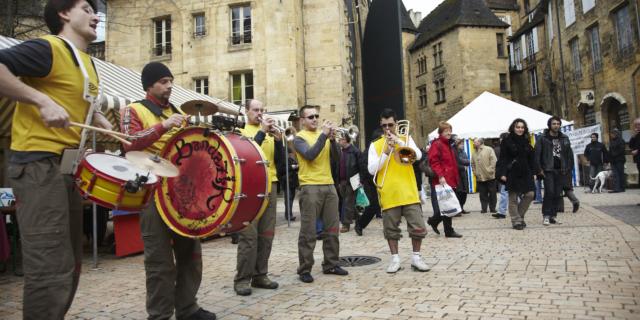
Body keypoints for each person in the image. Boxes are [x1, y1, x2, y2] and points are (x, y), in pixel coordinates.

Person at [0, 1, 113, 318]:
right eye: (86, 8)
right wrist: (39, 100)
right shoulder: (48, 48)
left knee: (69, 265)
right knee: (50, 267)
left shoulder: (88, 64)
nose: (96, 15)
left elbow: (77, 98)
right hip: (38, 165)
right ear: (64, 14)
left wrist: (100, 117)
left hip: (67, 169)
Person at [120, 62, 215, 320]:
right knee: (159, 262)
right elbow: (129, 144)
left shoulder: (177, 113)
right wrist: (163, 126)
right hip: (151, 193)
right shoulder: (133, 109)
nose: (170, 85)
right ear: (149, 85)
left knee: (191, 254)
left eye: (171, 80)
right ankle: (159, 315)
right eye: (163, 81)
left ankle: (187, 307)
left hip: (182, 195)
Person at [367, 109, 430, 273]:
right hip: (389, 192)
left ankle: (416, 257)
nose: (388, 129)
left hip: (408, 191)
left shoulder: (406, 138)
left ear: (396, 124)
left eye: (391, 125)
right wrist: (386, 152)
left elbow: (417, 156)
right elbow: (372, 170)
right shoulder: (375, 145)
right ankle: (395, 259)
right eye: (384, 126)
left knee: (417, 227)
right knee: (391, 230)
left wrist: (400, 143)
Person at [233, 99, 284, 296]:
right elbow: (249, 152)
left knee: (267, 234)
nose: (260, 113)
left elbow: (279, 162)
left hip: (270, 183)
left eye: (262, 109)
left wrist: (279, 141)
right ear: (246, 112)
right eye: (255, 110)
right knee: (249, 235)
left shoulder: (269, 134)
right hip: (250, 186)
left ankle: (260, 274)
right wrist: (262, 131)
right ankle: (242, 279)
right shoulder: (241, 133)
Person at [293, 105, 348, 283]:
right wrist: (324, 135)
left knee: (332, 228)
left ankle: (331, 263)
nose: (315, 119)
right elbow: (310, 155)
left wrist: (332, 141)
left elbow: (337, 159)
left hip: (329, 185)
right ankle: (304, 269)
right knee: (308, 231)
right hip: (310, 186)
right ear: (302, 120)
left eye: (316, 116)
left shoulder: (323, 136)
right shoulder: (299, 138)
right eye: (310, 117)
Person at [496, 119, 537, 230]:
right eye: (518, 127)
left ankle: (519, 216)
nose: (520, 129)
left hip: (526, 171)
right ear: (513, 128)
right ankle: (516, 221)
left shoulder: (526, 140)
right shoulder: (506, 141)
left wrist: (534, 172)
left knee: (530, 194)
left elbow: (531, 158)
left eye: (522, 127)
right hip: (512, 171)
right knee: (513, 198)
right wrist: (503, 173)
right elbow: (503, 158)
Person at [534, 116, 574, 226]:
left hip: (561, 169)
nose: (556, 125)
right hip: (548, 170)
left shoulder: (564, 138)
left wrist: (569, 167)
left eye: (558, 123)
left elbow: (569, 154)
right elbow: (537, 155)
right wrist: (539, 169)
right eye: (554, 124)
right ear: (549, 125)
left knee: (557, 194)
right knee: (549, 192)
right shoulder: (543, 138)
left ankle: (553, 216)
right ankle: (546, 215)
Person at [427, 122, 463, 238]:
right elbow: (434, 162)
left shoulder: (448, 144)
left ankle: (443, 227)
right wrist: (441, 176)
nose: (449, 132)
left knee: (448, 204)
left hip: (450, 179)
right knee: (445, 205)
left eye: (450, 130)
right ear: (441, 132)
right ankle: (439, 224)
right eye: (446, 131)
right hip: (441, 180)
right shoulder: (437, 144)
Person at [354, 129, 383, 236]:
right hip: (372, 183)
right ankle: (360, 224)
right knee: (374, 206)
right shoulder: (369, 150)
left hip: (379, 182)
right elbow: (364, 167)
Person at [337, 133, 361, 233]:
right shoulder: (340, 152)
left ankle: (346, 225)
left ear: (346, 140)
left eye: (341, 139)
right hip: (341, 181)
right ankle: (359, 221)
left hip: (352, 181)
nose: (339, 141)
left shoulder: (355, 151)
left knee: (348, 202)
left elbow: (360, 165)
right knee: (349, 202)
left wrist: (360, 180)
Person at [472, 138, 498, 213]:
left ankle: (492, 208)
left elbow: (494, 160)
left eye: (475, 142)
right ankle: (484, 209)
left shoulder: (489, 149)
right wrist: (475, 172)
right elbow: (472, 163)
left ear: (480, 142)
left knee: (492, 193)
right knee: (482, 194)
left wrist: (490, 170)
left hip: (489, 176)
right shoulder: (474, 152)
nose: (473, 143)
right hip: (479, 177)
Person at [494, 133, 509, 219]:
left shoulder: (506, 149)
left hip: (507, 174)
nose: (500, 140)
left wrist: (504, 173)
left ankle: (502, 212)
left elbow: (505, 163)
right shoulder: (502, 148)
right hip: (505, 174)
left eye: (501, 139)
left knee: (505, 193)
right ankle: (502, 211)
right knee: (510, 193)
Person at [454, 138, 470, 214]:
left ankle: (462, 207)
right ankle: (458, 209)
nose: (462, 145)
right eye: (461, 144)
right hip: (458, 175)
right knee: (458, 192)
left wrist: (463, 162)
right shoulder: (454, 152)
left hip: (464, 174)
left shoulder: (463, 152)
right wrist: (463, 165)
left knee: (464, 192)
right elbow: (456, 163)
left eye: (463, 144)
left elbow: (468, 161)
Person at [608, 128, 626, 193]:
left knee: (620, 174)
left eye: (612, 134)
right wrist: (609, 159)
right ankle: (616, 188)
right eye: (611, 134)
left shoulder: (621, 140)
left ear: (616, 134)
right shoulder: (611, 141)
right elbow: (610, 151)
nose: (611, 135)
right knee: (615, 175)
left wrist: (613, 154)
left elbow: (621, 150)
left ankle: (622, 188)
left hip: (619, 160)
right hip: (613, 161)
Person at [629, 118, 640, 205]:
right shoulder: (636, 135)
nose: (637, 127)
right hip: (638, 160)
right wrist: (633, 136)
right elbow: (631, 145)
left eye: (638, 124)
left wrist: (637, 151)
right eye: (635, 125)